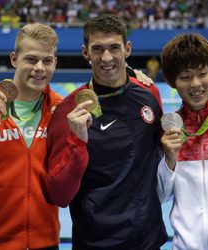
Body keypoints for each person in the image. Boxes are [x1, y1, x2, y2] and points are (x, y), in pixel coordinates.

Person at [46, 14, 167, 250]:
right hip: (96, 243)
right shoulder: (68, 111)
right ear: (85, 53)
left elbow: (161, 156)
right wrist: (76, 142)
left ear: (127, 49)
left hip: (149, 240)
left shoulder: (149, 95)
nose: (107, 57)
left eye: (114, 48)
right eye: (98, 49)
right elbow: (59, 195)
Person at [0, 23, 61, 249]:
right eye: (31, 59)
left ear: (55, 63)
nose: (39, 68)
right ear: (14, 59)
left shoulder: (61, 110)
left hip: (45, 242)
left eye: (47, 60)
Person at [157, 33, 208, 249]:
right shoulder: (169, 129)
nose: (196, 84)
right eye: (186, 77)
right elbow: (161, 197)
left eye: (202, 74)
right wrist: (169, 159)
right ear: (172, 82)